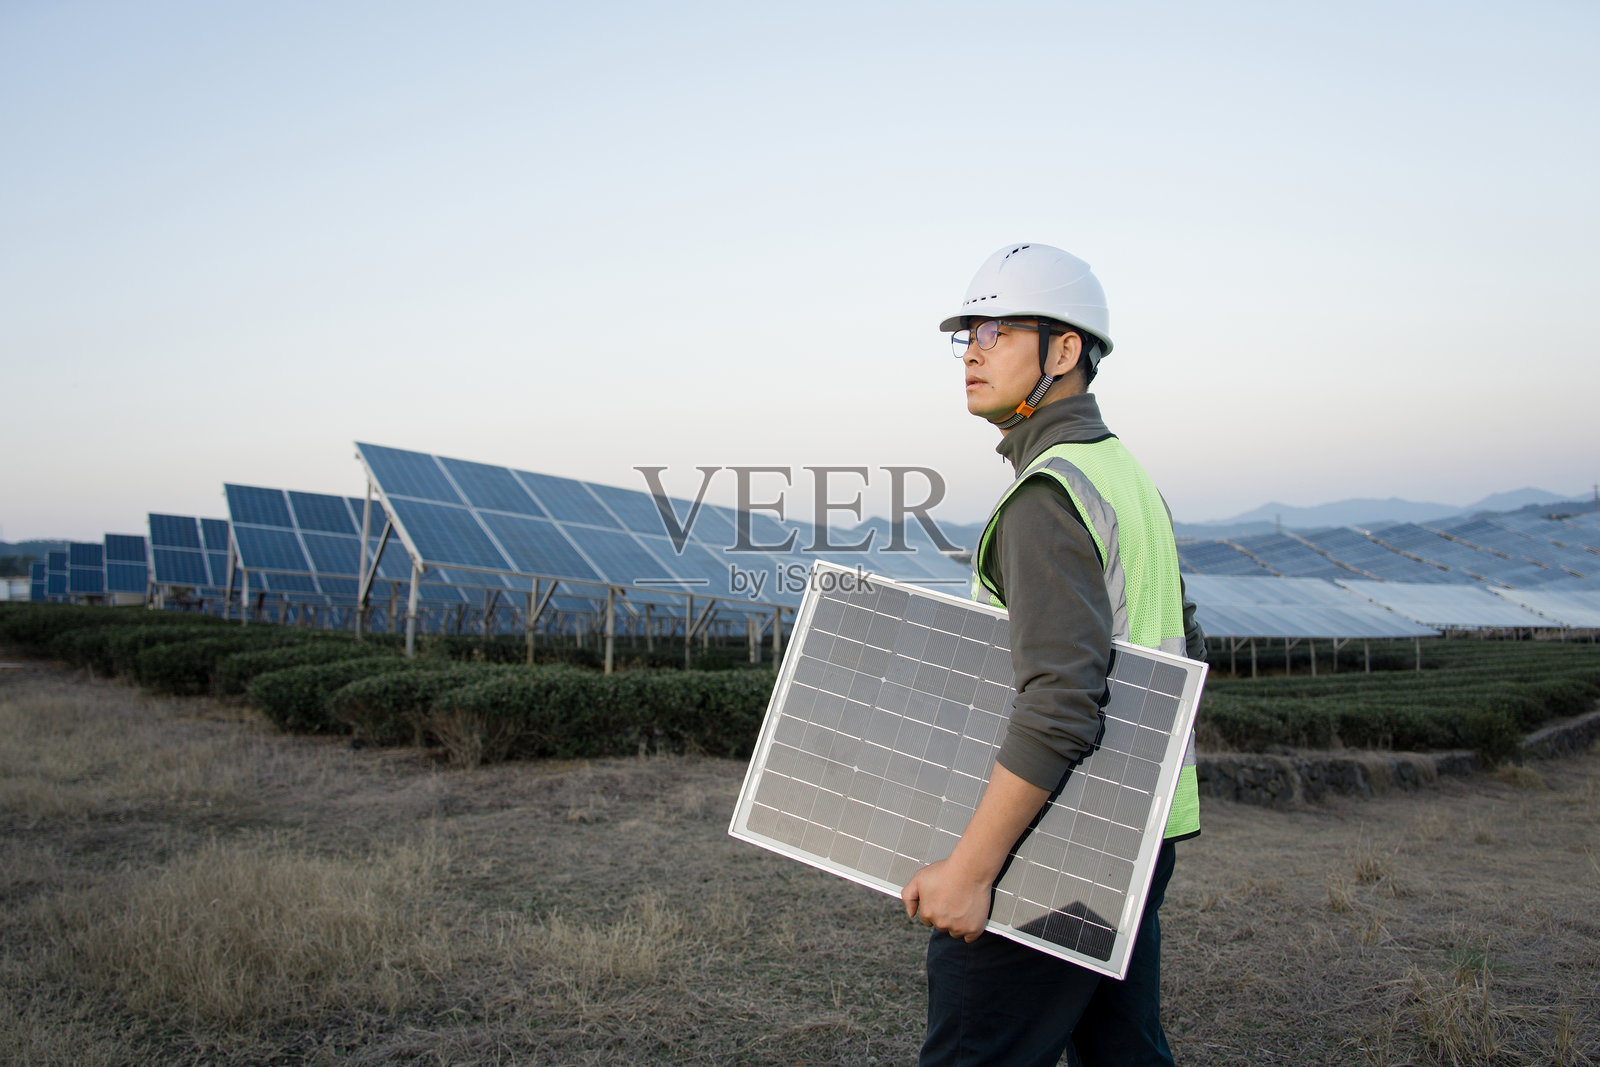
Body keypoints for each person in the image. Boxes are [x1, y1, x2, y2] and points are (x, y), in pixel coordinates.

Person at [901, 242, 1206, 1067]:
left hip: (1059, 841)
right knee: (1123, 1053)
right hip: (1135, 830)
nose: (971, 349)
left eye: (996, 329)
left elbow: (1062, 699)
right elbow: (1183, 646)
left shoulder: (1048, 494)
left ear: (1065, 350)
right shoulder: (1124, 477)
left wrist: (972, 867)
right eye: (966, 332)